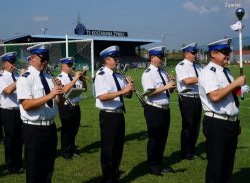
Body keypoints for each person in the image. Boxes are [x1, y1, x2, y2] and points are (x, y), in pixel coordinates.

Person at [199, 38, 246, 183]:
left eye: (228, 52)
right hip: (216, 123)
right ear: (214, 53)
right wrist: (235, 84)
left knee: (227, 166)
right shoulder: (208, 72)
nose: (228, 55)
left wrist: (235, 121)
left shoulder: (226, 71)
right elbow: (214, 96)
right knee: (216, 166)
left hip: (229, 122)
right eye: (224, 52)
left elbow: (229, 98)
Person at [16, 44, 64, 183]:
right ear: (32, 58)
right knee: (34, 169)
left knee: (48, 168)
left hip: (50, 127)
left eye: (47, 59)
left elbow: (58, 102)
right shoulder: (26, 78)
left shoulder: (49, 76)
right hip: (33, 129)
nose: (45, 62)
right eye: (42, 58)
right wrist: (50, 95)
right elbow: (26, 105)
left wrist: (58, 91)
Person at [94, 45, 134, 183]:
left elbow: (127, 96)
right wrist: (124, 91)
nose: (117, 61)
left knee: (118, 147)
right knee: (108, 148)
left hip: (119, 114)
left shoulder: (118, 75)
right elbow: (102, 96)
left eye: (118, 58)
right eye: (115, 58)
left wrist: (129, 87)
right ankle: (107, 178)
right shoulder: (101, 75)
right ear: (107, 59)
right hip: (108, 115)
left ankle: (114, 174)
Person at [141, 46, 176, 176]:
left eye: (162, 57)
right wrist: (165, 86)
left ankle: (159, 163)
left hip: (165, 109)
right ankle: (152, 165)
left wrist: (171, 84)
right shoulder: (148, 73)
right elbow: (149, 94)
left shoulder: (162, 72)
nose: (162, 59)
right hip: (154, 109)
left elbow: (169, 91)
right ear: (152, 58)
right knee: (155, 138)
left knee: (163, 138)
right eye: (160, 57)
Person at [0, 52, 24, 173]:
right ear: (4, 64)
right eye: (11, 63)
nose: (14, 65)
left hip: (20, 110)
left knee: (20, 139)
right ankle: (11, 165)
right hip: (8, 112)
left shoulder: (18, 76)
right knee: (10, 139)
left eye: (14, 62)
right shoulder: (0, 78)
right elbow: (8, 91)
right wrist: (22, 78)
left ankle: (19, 163)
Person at [175, 43, 202, 160]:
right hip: (187, 98)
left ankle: (191, 150)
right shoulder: (181, 65)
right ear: (186, 54)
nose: (196, 55)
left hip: (198, 98)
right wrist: (204, 78)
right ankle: (185, 152)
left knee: (196, 126)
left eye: (196, 52)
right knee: (188, 125)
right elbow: (187, 81)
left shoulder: (199, 67)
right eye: (193, 53)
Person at [57, 57, 87, 160]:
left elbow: (84, 89)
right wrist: (75, 79)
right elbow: (64, 90)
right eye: (69, 66)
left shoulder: (73, 77)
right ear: (63, 66)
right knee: (67, 129)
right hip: (65, 106)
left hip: (76, 106)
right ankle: (66, 152)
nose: (71, 68)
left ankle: (72, 149)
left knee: (74, 129)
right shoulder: (60, 77)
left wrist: (83, 80)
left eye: (71, 66)